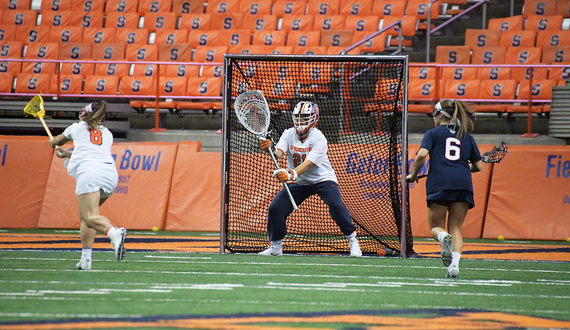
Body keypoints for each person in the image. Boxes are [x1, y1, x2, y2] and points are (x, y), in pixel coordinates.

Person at [258, 101, 361, 257]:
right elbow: (278, 153)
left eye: (305, 117)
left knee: (335, 205)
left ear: (314, 118)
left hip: (322, 179)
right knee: (275, 208)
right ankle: (276, 246)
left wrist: (291, 174)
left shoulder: (319, 138)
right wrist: (269, 147)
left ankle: (353, 240)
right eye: (298, 117)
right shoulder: (288, 133)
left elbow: (307, 164)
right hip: (299, 182)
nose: (300, 121)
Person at [406, 99, 483, 278]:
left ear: (441, 115)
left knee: (436, 227)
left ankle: (442, 238)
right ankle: (454, 266)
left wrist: (413, 174)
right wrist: (463, 168)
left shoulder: (433, 133)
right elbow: (478, 167)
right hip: (463, 184)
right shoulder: (466, 136)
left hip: (439, 182)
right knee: (456, 228)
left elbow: (422, 155)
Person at [49, 101, 127, 270]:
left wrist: (54, 143)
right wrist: (68, 153)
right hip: (109, 175)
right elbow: (90, 149)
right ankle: (86, 259)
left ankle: (114, 234)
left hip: (89, 173)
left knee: (90, 216)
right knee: (87, 218)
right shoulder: (107, 133)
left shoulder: (76, 127)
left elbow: (57, 141)